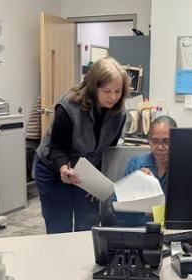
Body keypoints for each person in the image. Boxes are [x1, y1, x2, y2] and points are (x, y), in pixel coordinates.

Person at [34, 57, 129, 233]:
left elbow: (109, 151)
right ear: (93, 87)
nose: (113, 97)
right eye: (106, 91)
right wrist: (63, 168)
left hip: (86, 170)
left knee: (87, 226)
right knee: (59, 228)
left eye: (118, 91)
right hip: (54, 167)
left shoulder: (119, 113)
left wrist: (97, 181)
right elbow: (57, 148)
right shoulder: (69, 105)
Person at [114, 116, 177, 227]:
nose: (160, 147)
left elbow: (188, 211)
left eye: (167, 142)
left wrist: (157, 210)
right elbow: (117, 207)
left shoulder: (183, 168)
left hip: (171, 231)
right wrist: (136, 187)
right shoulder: (136, 164)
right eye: (155, 141)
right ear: (149, 141)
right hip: (139, 231)